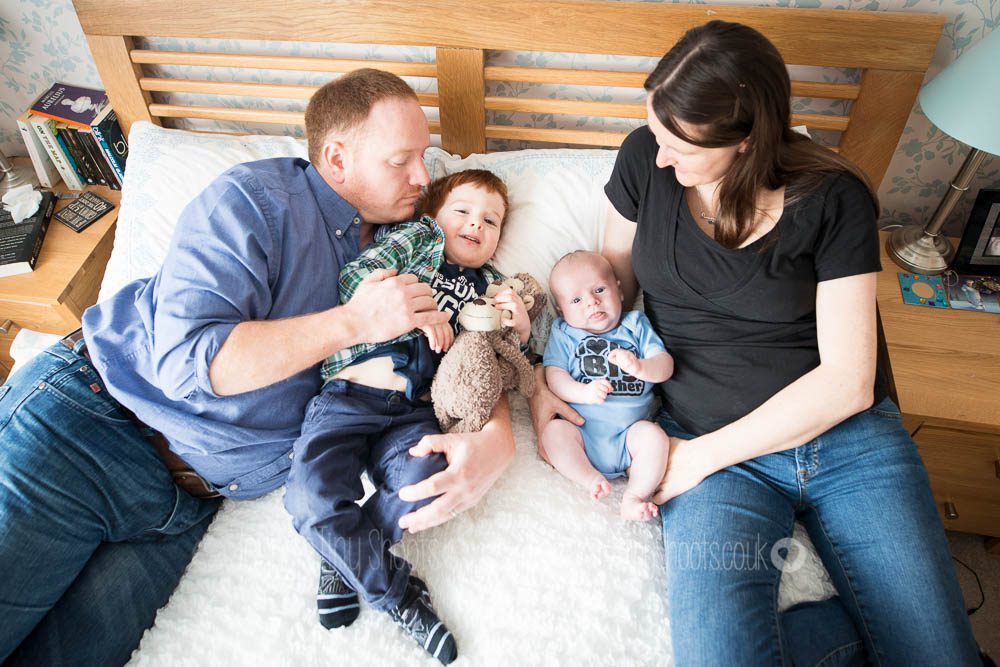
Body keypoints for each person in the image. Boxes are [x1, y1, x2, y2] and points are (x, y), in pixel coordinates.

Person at [0, 69, 515, 666]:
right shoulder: (253, 202)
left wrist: (498, 435)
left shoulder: (419, 236)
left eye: (423, 158)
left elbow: (465, 332)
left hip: (191, 501)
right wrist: (355, 322)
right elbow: (186, 362)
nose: (423, 177)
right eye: (401, 161)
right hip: (95, 427)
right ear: (337, 157)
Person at [528, 21, 980, 666]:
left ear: (744, 140)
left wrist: (699, 458)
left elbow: (849, 382)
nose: (659, 157)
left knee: (939, 655)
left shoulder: (834, 198)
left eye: (677, 144)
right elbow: (606, 295)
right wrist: (546, 383)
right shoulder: (643, 162)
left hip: (843, 444)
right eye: (655, 133)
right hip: (713, 450)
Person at [284, 169, 528, 664]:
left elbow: (491, 363)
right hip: (350, 393)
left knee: (427, 480)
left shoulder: (487, 288)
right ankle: (400, 597)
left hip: (414, 409)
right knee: (312, 494)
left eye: (492, 221)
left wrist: (518, 325)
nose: (476, 225)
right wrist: (422, 311)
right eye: (461, 210)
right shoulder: (419, 240)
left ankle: (342, 555)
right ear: (434, 214)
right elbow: (355, 278)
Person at [541, 251, 672, 520]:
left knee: (655, 438)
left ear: (619, 291)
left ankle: (634, 496)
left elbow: (665, 365)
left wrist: (640, 367)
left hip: (629, 436)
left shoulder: (635, 324)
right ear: (561, 310)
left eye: (599, 289)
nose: (591, 302)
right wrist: (583, 392)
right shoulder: (564, 332)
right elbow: (554, 375)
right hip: (583, 433)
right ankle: (590, 479)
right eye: (576, 300)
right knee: (553, 433)